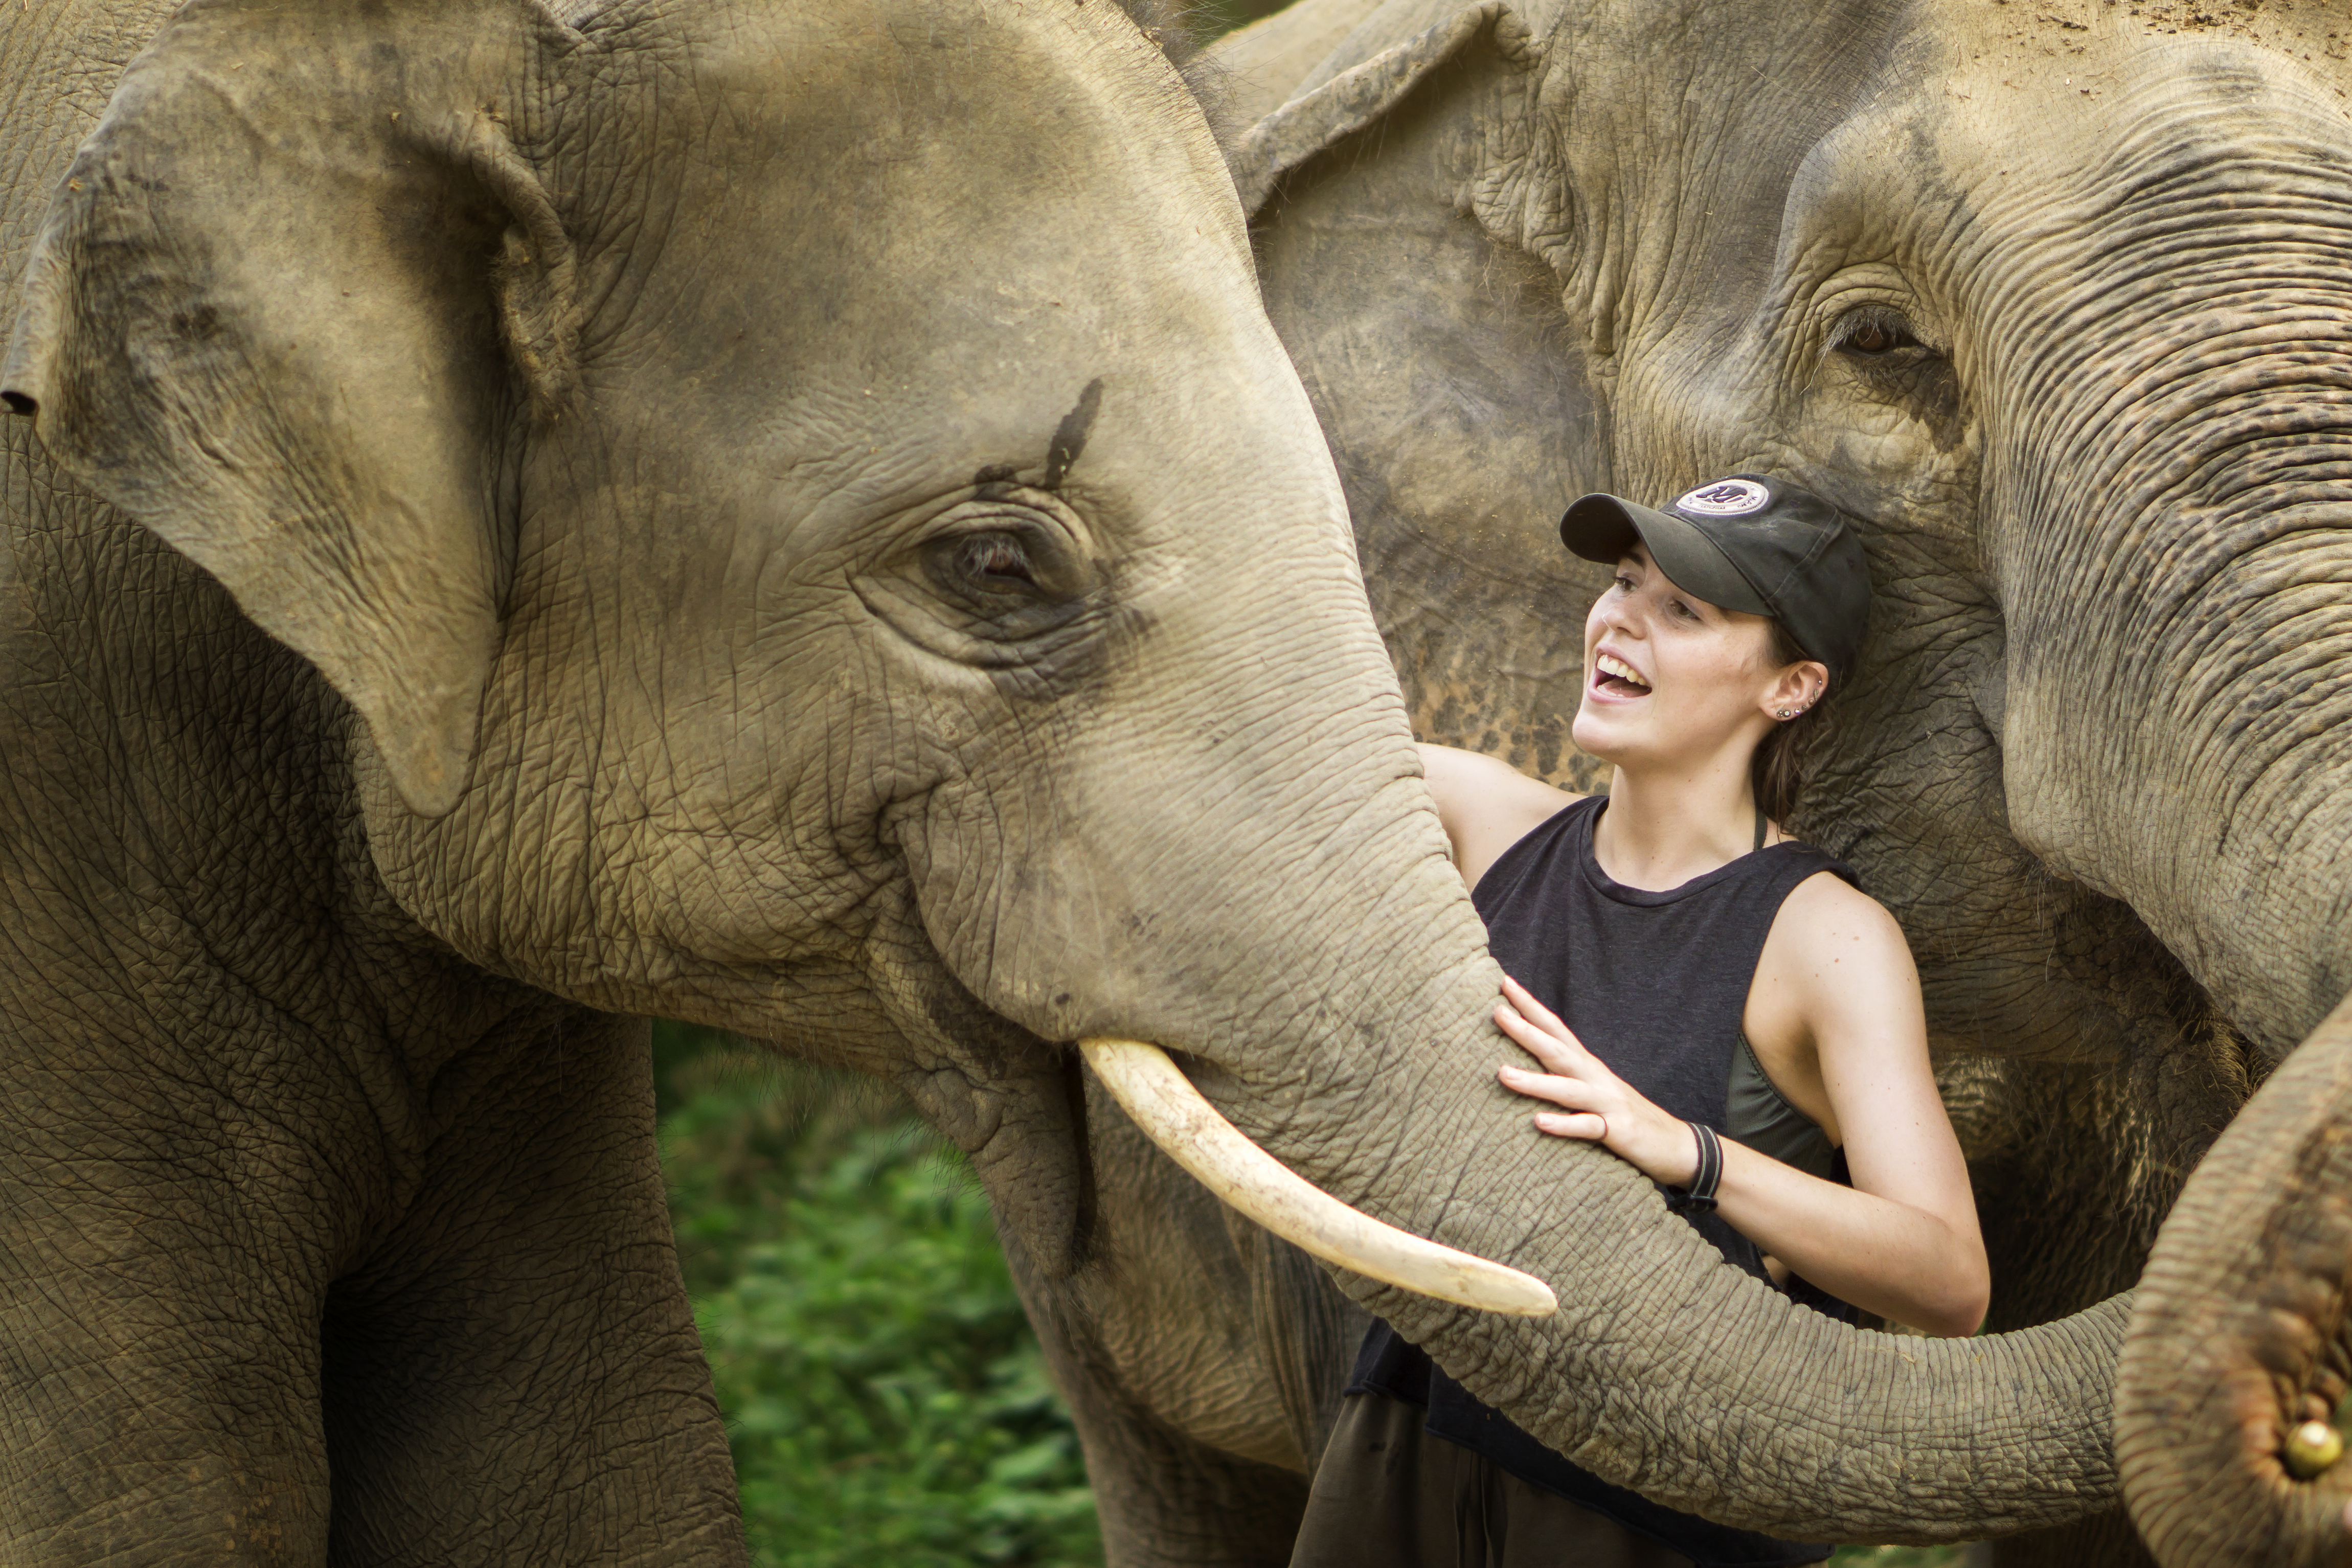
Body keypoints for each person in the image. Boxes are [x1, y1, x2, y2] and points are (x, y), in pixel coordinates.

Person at [1289, 474, 1991, 1568]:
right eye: (1623, 583)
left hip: (1644, 1513)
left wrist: (1684, 1151)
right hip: (1399, 1449)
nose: (1616, 619)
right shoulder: (1481, 825)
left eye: (1683, 610)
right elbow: (1248, 764)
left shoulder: (1824, 940)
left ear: (1791, 685)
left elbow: (1946, 1278)